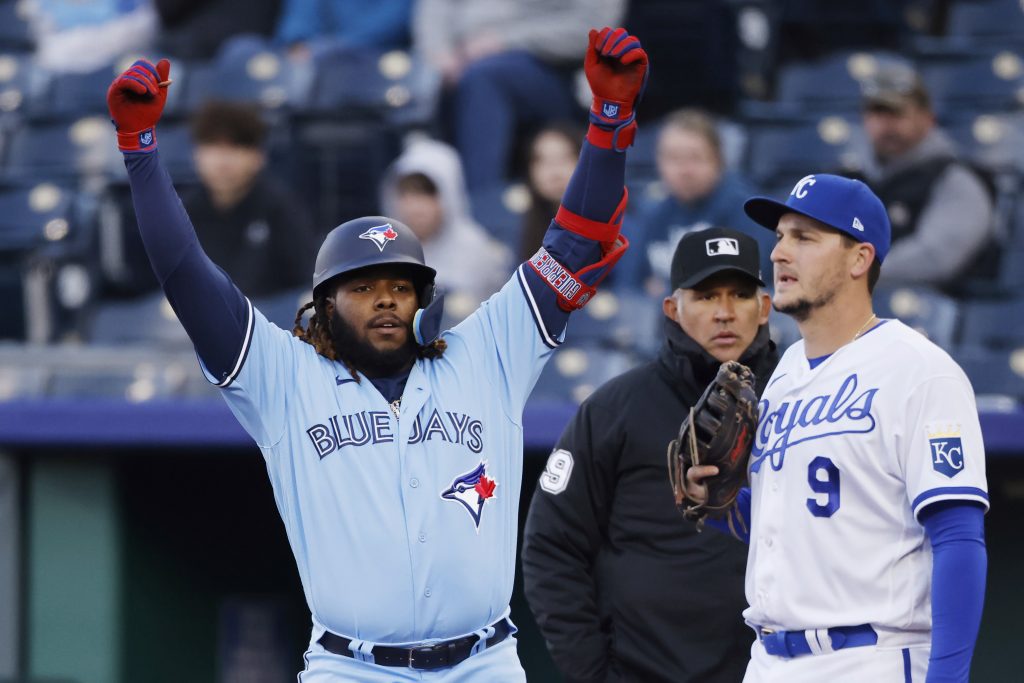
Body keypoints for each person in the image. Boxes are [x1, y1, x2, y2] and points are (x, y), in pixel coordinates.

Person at [106, 26, 648, 680]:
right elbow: (186, 273)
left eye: (401, 285)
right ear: (325, 306)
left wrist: (610, 119)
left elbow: (577, 241)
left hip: (485, 663)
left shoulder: (487, 353)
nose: (386, 300)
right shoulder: (284, 376)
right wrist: (140, 152)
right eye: (362, 287)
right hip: (352, 668)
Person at [683, 173, 988, 681]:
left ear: (859, 258)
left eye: (804, 238)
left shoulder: (918, 370)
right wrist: (719, 505)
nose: (779, 254)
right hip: (767, 659)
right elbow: (792, 525)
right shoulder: (782, 375)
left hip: (871, 657)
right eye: (780, 236)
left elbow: (958, 537)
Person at [522, 227, 779, 683]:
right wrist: (593, 673)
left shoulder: (799, 401)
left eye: (740, 295)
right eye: (705, 296)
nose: (724, 313)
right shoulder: (614, 408)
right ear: (672, 309)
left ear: (764, 307)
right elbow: (551, 545)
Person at [413, 0, 624, 193]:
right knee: (399, 98)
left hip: (559, 72)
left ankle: (483, 206)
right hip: (460, 64)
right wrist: (441, 53)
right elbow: (435, 8)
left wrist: (504, 40)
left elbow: (594, 29)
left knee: (485, 78)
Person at [852, 62, 995, 293]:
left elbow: (937, 257)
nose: (885, 124)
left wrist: (852, 274)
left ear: (927, 118)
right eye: (877, 112)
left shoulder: (954, 180)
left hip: (932, 317)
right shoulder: (850, 177)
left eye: (896, 113)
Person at [616, 109, 775, 294]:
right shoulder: (652, 211)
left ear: (718, 160)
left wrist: (666, 291)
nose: (684, 170)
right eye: (673, 158)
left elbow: (744, 285)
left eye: (695, 158)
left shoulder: (746, 211)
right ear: (659, 162)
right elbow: (629, 288)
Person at [183, 100, 317, 298]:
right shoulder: (181, 213)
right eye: (212, 146)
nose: (223, 161)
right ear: (196, 155)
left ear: (258, 156)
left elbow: (305, 282)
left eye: (236, 147)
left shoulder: (281, 209)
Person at [379, 136, 512, 313]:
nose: (416, 207)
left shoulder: (478, 252)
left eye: (427, 193)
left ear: (450, 194)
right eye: (406, 194)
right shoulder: (380, 251)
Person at [518, 122, 584, 261]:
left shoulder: (616, 223)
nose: (554, 173)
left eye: (564, 159)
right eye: (542, 161)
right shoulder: (526, 228)